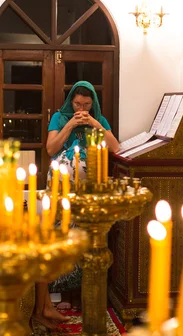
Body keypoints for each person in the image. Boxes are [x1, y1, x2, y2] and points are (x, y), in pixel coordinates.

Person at [31, 81, 119, 330]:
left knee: (86, 246)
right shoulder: (59, 118)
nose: (81, 108)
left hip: (87, 197)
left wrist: (94, 123)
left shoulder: (98, 120)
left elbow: (115, 147)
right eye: (77, 104)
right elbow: (50, 148)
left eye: (86, 105)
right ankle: (44, 305)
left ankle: (82, 303)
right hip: (60, 194)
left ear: (93, 105)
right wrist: (70, 124)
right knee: (54, 243)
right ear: (71, 101)